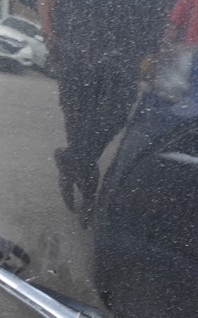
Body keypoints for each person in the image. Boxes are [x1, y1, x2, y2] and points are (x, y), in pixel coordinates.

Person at [38, 0, 171, 220]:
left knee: (112, 119)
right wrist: (47, 25)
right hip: (79, 43)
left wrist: (159, 45)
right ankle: (90, 198)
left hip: (126, 52)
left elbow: (165, 15)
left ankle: (69, 161)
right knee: (78, 126)